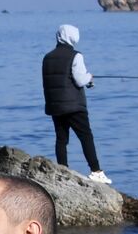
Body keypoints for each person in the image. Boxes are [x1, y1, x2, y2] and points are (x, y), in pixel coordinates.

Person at [43, 24, 111, 184]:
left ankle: (62, 169)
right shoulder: (75, 56)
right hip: (74, 105)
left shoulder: (47, 57)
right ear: (73, 37)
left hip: (55, 105)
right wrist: (90, 77)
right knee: (86, 136)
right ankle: (96, 171)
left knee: (61, 139)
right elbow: (80, 80)